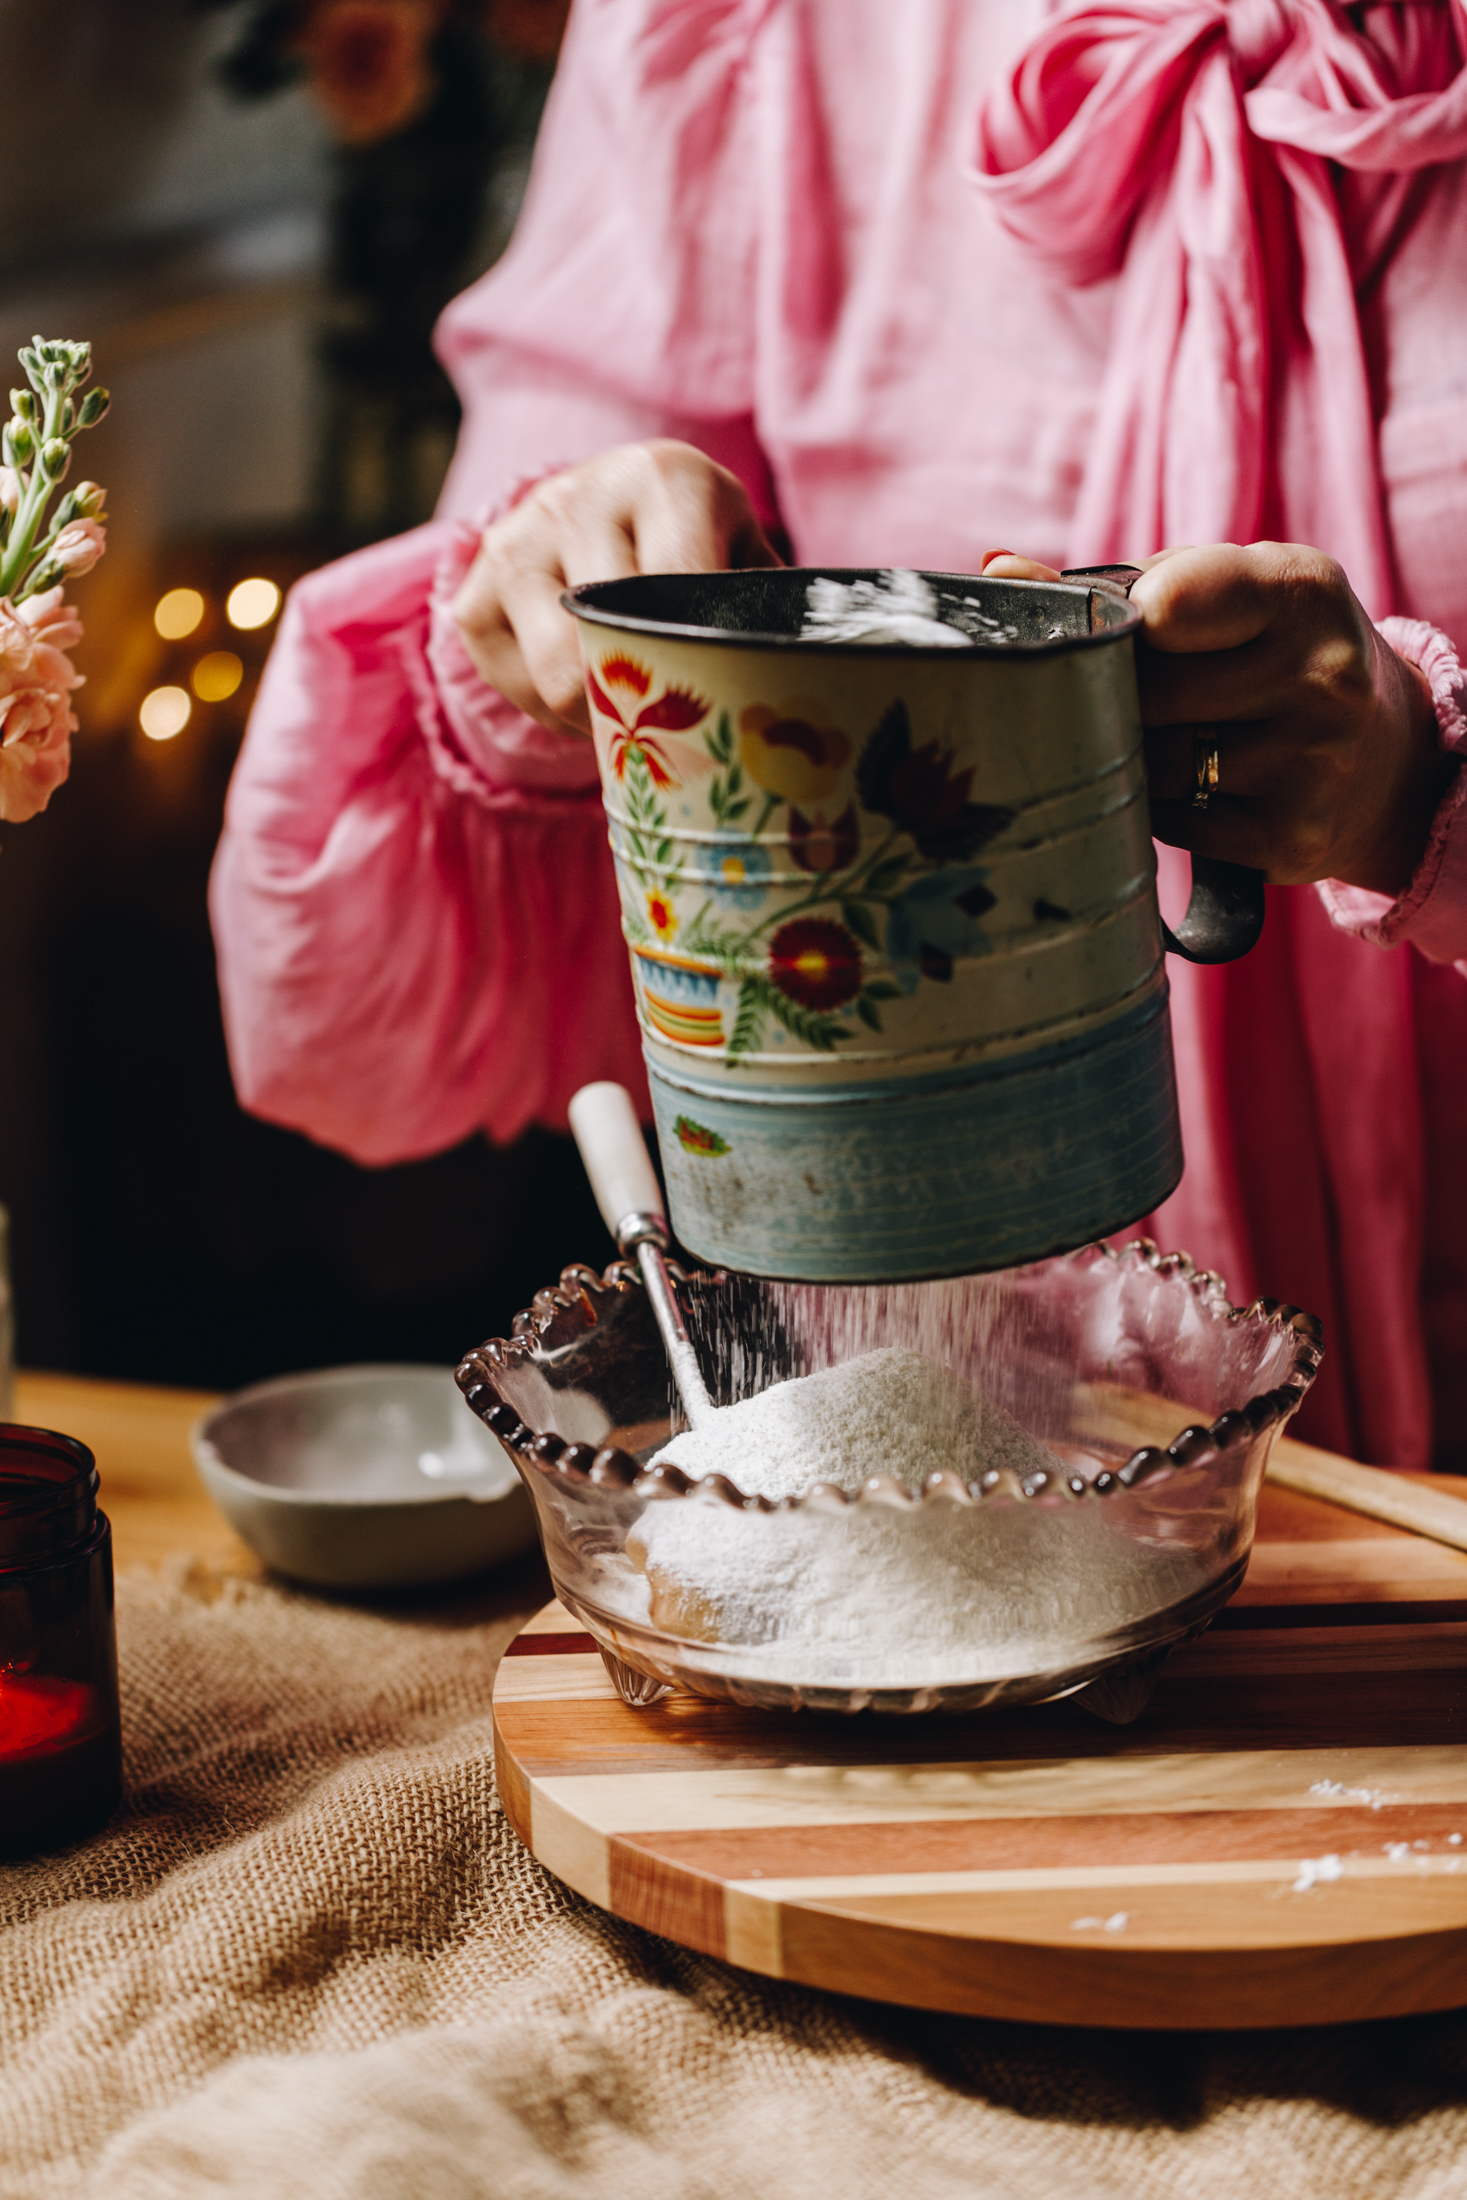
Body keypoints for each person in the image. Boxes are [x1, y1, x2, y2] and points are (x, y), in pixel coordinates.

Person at [210, 0, 1467, 1470]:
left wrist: (1421, 803)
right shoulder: (747, 29)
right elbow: (421, 946)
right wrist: (548, 606)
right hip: (942, 1433)